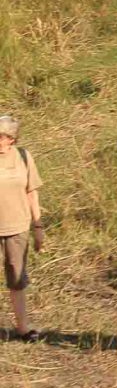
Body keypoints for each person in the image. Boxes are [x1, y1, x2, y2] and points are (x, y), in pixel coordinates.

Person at [0, 115, 45, 341]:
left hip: (17, 226)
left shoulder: (24, 158)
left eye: (3, 137)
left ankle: (22, 326)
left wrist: (38, 226)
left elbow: (31, 192)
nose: (0, 141)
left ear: (12, 138)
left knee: (17, 276)